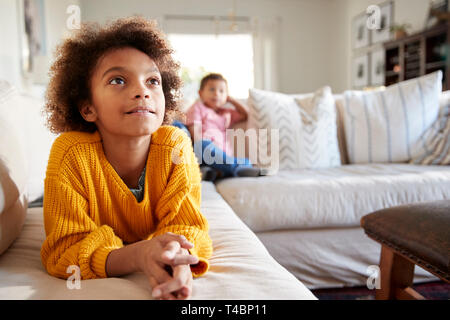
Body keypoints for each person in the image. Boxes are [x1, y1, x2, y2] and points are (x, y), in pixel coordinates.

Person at [40, 16, 212, 300]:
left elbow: (187, 227)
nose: (142, 91)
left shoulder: (176, 145)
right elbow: (63, 250)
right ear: (87, 109)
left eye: (153, 81)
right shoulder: (70, 153)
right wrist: (138, 255)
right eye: (118, 80)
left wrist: (178, 259)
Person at [176, 73, 266, 182]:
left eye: (221, 91)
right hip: (203, 152)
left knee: (247, 162)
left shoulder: (226, 114)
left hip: (222, 157)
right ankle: (236, 169)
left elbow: (245, 114)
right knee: (204, 144)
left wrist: (231, 100)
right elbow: (196, 133)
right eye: (212, 89)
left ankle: (212, 172)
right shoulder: (198, 108)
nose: (216, 94)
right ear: (200, 93)